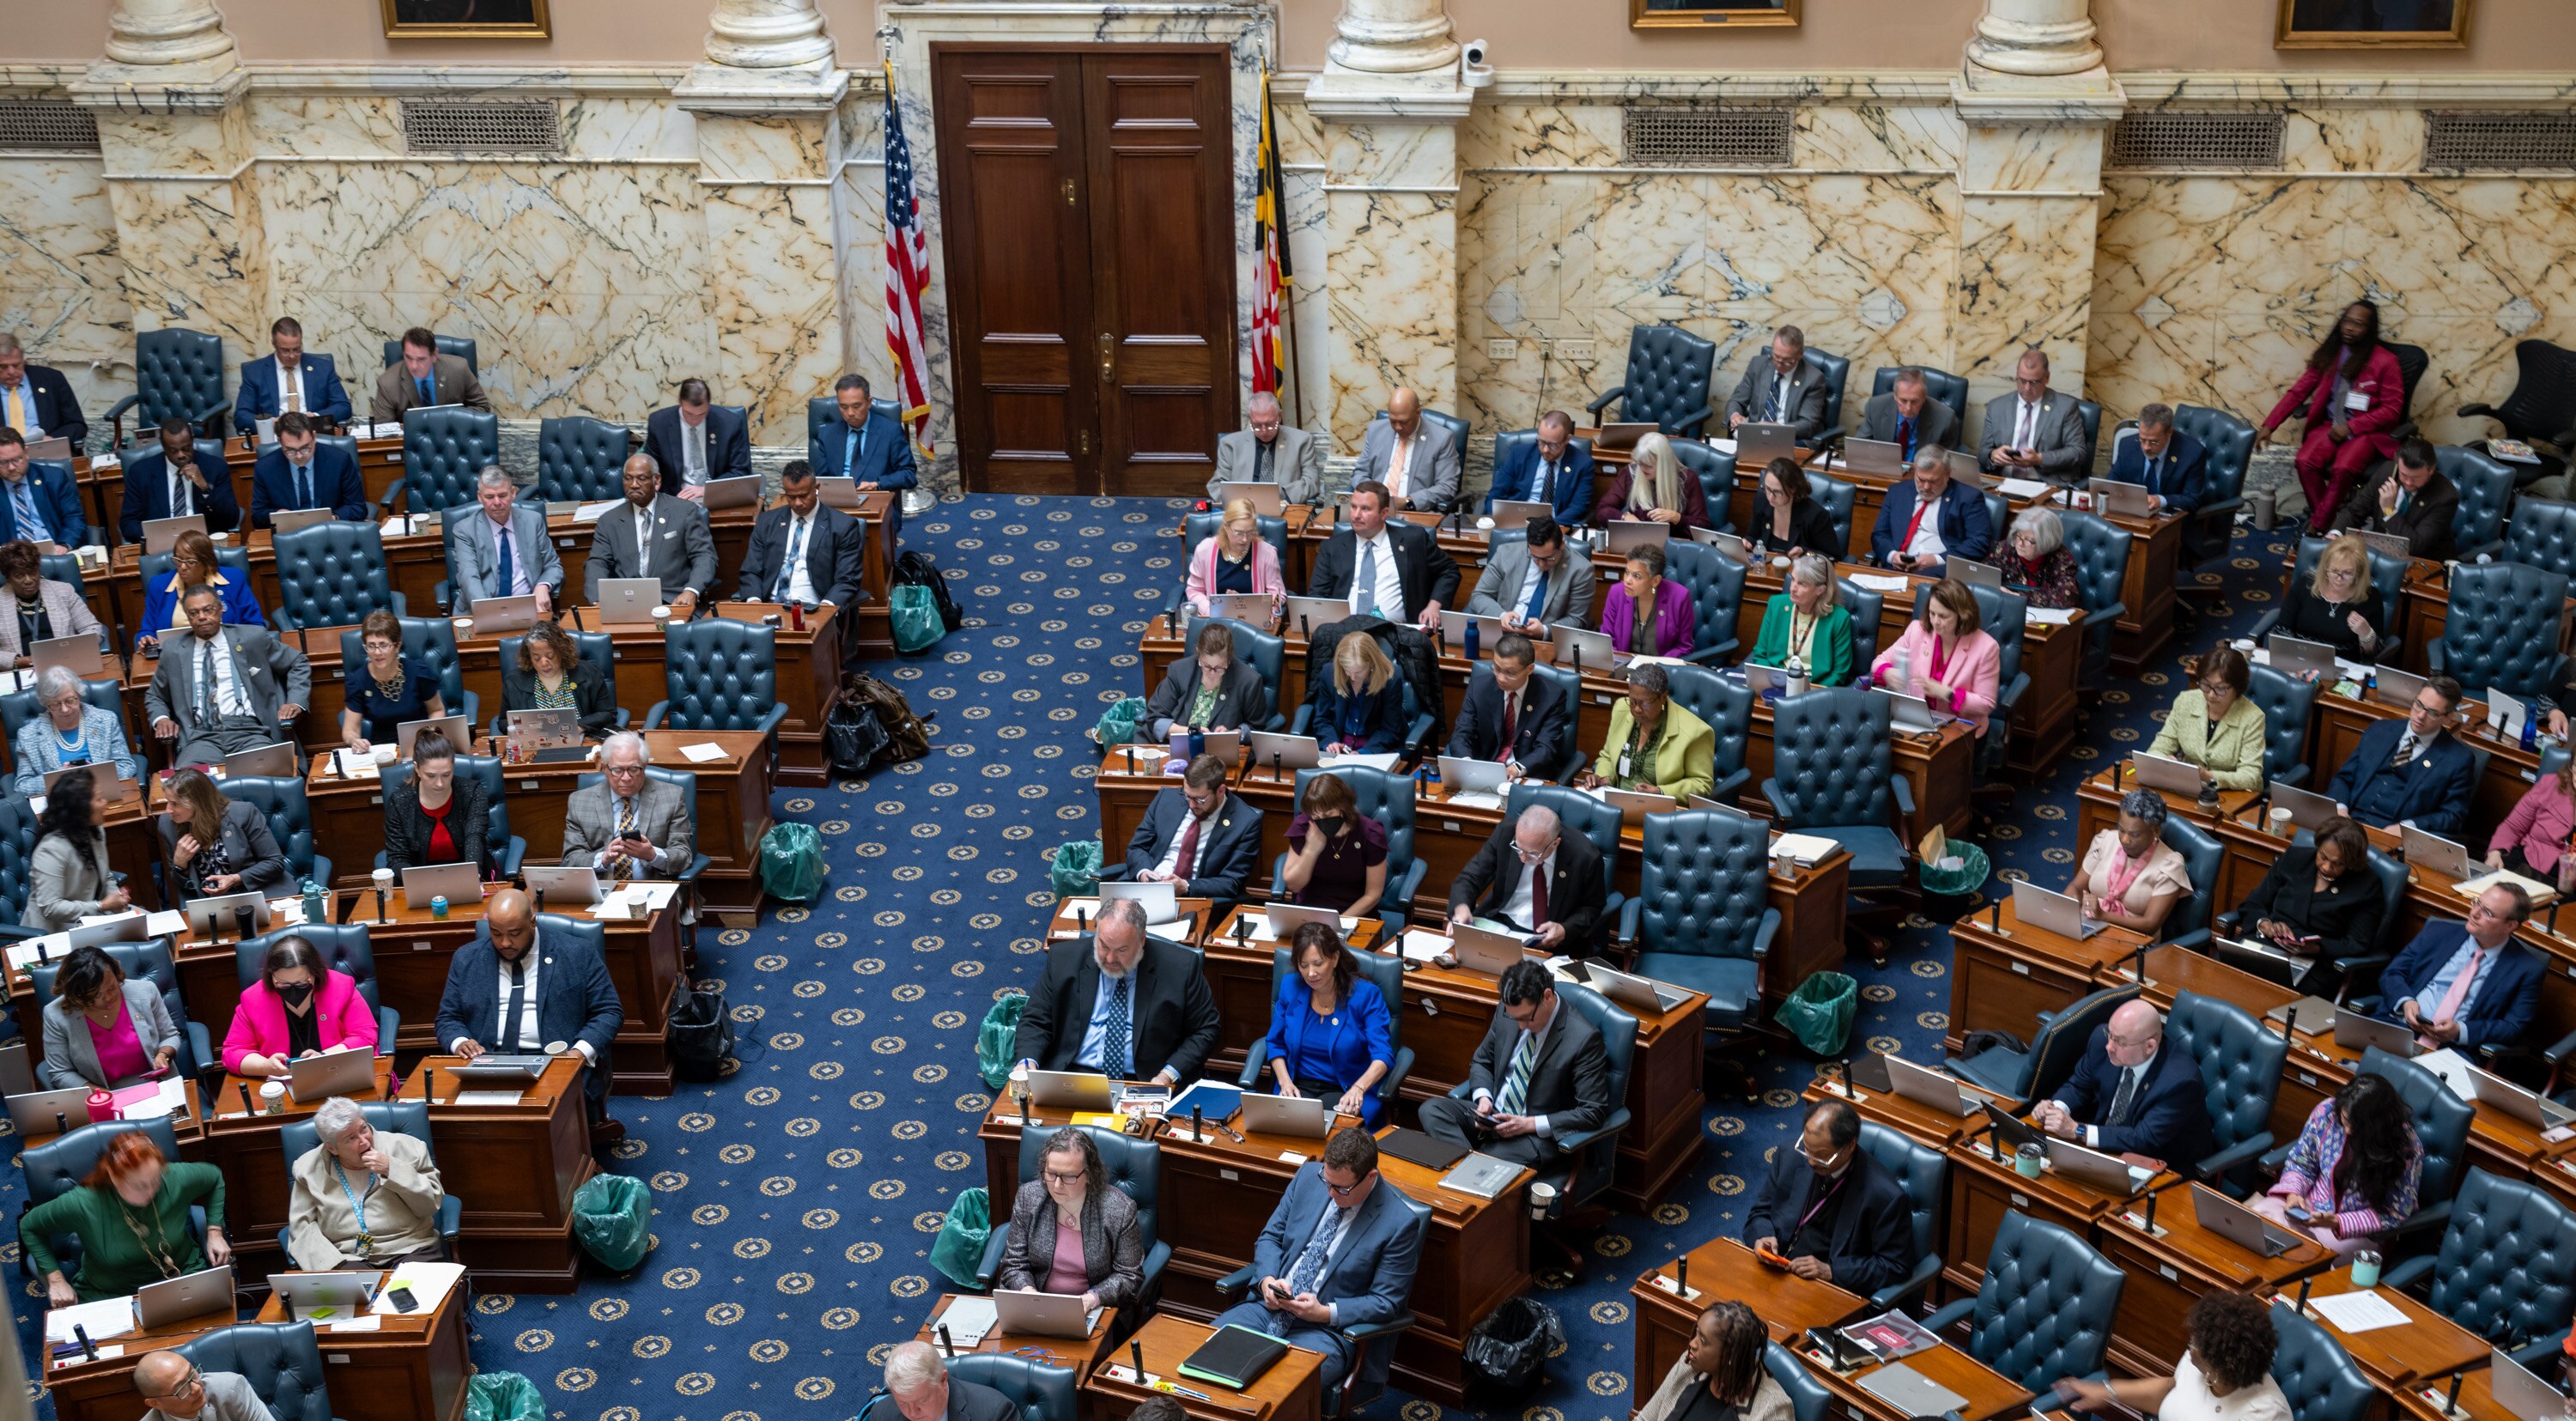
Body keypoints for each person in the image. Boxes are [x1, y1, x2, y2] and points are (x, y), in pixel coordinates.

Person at [1210, 1126, 1424, 1396]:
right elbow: (1270, 1238)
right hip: (1267, 1309)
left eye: (1342, 1188)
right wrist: (1267, 1282)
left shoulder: (1398, 1223)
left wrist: (1325, 1312)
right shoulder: (1308, 1177)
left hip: (1324, 1332)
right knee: (1207, 1360)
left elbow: (1386, 1302)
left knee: (1273, 1393)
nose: (1331, 1194)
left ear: (1371, 1177)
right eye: (1328, 1182)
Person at [434, 886, 625, 1143]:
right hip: (488, 1062)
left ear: (532, 923)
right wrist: (460, 1042)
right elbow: (448, 1018)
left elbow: (609, 1011)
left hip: (555, 1062)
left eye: (514, 934)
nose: (504, 943)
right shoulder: (467, 959)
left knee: (544, 1132)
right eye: (496, 933)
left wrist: (578, 1053)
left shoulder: (576, 953)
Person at [1419, 960, 1613, 1164]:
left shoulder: (1583, 1038)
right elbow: (1482, 1061)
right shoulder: (1508, 1010)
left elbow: (1593, 1111)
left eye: (1527, 1018)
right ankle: (1470, 1169)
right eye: (1515, 1018)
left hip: (1534, 1136)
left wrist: (1529, 1124)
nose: (1520, 1026)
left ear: (1547, 997)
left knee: (1486, 1163)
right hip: (1493, 1117)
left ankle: (1468, 1168)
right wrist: (1484, 1100)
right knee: (1431, 1110)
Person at [1012, 898, 1222, 1084]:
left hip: (1145, 1080)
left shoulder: (1181, 968)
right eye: (1103, 946)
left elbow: (1206, 1029)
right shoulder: (1063, 959)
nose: (1110, 959)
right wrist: (1027, 1062)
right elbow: (1035, 1019)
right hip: (1072, 1076)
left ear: (1142, 940)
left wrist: (1167, 1075)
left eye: (1122, 950)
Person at [22, 1132, 226, 1307]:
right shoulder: (83, 1202)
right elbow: (29, 1226)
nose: (150, 1192)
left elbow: (215, 1177)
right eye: (138, 1186)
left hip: (180, 1275)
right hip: (111, 1294)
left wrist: (215, 1232)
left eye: (154, 1180)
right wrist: (56, 1279)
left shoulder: (173, 1177)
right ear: (112, 1175)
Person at [1742, 1100, 1915, 1299]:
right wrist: (1762, 1236)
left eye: (1822, 1156)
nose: (1811, 1162)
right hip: (1773, 1268)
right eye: (1807, 1149)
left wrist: (1831, 1271)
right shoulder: (1790, 1155)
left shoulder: (1885, 1197)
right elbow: (1760, 1212)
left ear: (1850, 1146)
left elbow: (1895, 1266)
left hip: (1824, 1289)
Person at [2259, 300, 2403, 532]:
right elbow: (2299, 391)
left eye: (2358, 324)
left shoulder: (2386, 361)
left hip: (2365, 432)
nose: (2349, 328)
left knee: (2343, 468)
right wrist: (2270, 425)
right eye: (2346, 322)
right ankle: (2331, 524)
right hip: (2329, 425)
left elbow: (2392, 409)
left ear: (2369, 329)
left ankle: (2317, 527)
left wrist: (2353, 426)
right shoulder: (2331, 354)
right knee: (2304, 461)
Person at [2250, 1074, 2422, 1260]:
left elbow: (2394, 1213)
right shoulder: (2326, 1113)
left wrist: (2336, 1222)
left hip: (2355, 1229)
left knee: (2305, 1256)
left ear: (2376, 1125)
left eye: (2356, 1126)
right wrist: (2294, 1194)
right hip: (2309, 1205)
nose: (2347, 1130)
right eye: (2345, 1119)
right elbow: (2302, 1162)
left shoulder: (2405, 1149)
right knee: (2255, 1226)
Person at [2057, 1290, 2290, 1421]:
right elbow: (2172, 1389)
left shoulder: (2264, 1413)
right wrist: (2106, 1391)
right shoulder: (2201, 1365)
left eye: (2196, 1344)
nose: (2189, 1349)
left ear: (2220, 1365)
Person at [145, 582, 313, 764]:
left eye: (208, 610)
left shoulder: (252, 638)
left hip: (251, 732)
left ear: (220, 609)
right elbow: (155, 695)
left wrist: (295, 701)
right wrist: (161, 719)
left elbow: (298, 662)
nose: (202, 617)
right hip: (200, 737)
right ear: (188, 616)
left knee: (268, 774)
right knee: (187, 786)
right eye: (194, 613)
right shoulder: (173, 650)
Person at [2033, 999, 2215, 1168]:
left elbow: (2143, 1139)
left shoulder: (2180, 1081)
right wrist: (2056, 1109)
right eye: (2110, 1035)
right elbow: (2079, 1087)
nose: (2109, 1046)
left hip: (2157, 1164)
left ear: (2149, 1046)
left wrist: (2078, 1130)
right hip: (2104, 1146)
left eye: (2119, 1042)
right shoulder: (2101, 1040)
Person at [995, 1126, 1146, 1313]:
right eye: (1051, 1174)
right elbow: (1014, 1263)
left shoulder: (1119, 1209)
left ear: (1090, 1175)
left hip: (1094, 1309)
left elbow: (1129, 1275)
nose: (1057, 1185)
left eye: (1068, 1176)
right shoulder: (1029, 1197)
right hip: (1035, 1304)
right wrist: (1028, 1292)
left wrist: (1093, 1298)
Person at [2228, 816, 2385, 995]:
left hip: (2315, 964)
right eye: (2323, 857)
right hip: (2265, 943)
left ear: (2351, 863)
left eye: (2337, 863)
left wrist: (2317, 948)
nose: (2326, 867)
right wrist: (2265, 923)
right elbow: (2254, 901)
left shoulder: (2366, 885)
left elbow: (2357, 943)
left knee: (2266, 993)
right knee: (2225, 975)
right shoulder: (2295, 858)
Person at [287, 1094, 447, 1270]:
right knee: (351, 1296)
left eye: (363, 1129)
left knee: (411, 1294)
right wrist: (330, 1265)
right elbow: (301, 1228)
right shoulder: (307, 1168)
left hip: (409, 1246)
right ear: (332, 1148)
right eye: (351, 1138)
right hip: (346, 1256)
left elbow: (430, 1205)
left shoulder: (408, 1148)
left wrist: (392, 1170)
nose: (364, 1141)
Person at [2379, 883, 2544, 1051]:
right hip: (2398, 1026)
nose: (2474, 913)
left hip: (2452, 1050)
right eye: (2477, 902)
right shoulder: (2438, 931)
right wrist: (2406, 1002)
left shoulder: (2526, 969)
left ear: (2510, 926)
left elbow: (2512, 1027)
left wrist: (2460, 1031)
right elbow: (2392, 973)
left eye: (2487, 912)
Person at [1261, 923, 1397, 1126]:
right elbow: (1275, 1042)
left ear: (1334, 958)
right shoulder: (1291, 987)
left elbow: (1383, 1055)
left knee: (1328, 1137)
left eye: (1318, 963)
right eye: (1303, 965)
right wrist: (1285, 1082)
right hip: (1298, 1088)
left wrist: (1359, 1088)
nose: (1311, 973)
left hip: (1343, 1090)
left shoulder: (1365, 995)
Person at [1449, 805, 1609, 958]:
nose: (1523, 858)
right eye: (1518, 849)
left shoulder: (1585, 857)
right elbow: (1470, 877)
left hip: (1545, 939)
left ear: (1555, 844)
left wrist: (1564, 930)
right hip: (1498, 924)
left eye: (1532, 854)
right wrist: (1461, 907)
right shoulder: (1505, 833)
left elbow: (1592, 908)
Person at [2325, 674, 2476, 835]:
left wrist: (2408, 828)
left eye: (2432, 713)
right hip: (2348, 819)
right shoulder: (2380, 730)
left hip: (2392, 834)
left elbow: (2452, 815)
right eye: (2418, 705)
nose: (2420, 716)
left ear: (2448, 718)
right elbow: (2344, 778)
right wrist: (2340, 809)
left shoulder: (2458, 760)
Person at [1306, 479, 1458, 632]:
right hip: (1345, 633)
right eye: (1353, 507)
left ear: (1384, 513)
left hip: (1400, 634)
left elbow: (1449, 571)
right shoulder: (1332, 547)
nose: (1356, 515)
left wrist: (1434, 605)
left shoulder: (1413, 541)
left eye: (1365, 509)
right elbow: (1317, 596)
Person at [222, 934, 378, 1079]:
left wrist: (324, 1057)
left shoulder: (341, 988)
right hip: (283, 1084)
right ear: (271, 976)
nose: (293, 989)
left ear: (315, 973)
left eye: (301, 983)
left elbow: (365, 1037)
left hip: (340, 1074)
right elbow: (233, 1052)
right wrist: (265, 1066)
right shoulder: (254, 999)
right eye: (283, 983)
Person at [586, 453, 717, 616]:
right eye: (628, 478)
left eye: (641, 478)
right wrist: (597, 599)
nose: (634, 485)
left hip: (673, 600)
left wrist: (691, 591)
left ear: (657, 480)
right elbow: (597, 562)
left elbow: (704, 556)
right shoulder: (609, 520)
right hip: (626, 602)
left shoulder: (684, 511)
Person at [1123, 752, 1261, 903]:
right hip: (1146, 889)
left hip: (1193, 899)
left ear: (1220, 791)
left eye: (1199, 799)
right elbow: (1137, 847)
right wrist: (1144, 873)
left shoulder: (1246, 822)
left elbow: (1231, 882)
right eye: (1187, 796)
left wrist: (1186, 886)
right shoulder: (1167, 798)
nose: (1191, 805)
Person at [1871, 579, 2002, 734]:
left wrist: (1947, 693)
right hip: (1915, 721)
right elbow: (1879, 662)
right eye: (1932, 613)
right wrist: (1887, 673)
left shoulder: (1987, 647)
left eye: (1943, 616)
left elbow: (1986, 703)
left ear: (1962, 616)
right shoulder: (1917, 630)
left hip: (1959, 729)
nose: (1935, 621)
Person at [39, 943, 175, 1089]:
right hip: (101, 1094)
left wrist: (163, 1055)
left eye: (112, 987)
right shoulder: (56, 1014)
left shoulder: (144, 991)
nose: (108, 998)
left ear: (117, 976)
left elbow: (170, 1036)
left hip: (158, 1084)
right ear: (78, 994)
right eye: (96, 994)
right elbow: (61, 1073)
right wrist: (101, 1096)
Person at [737, 459, 866, 613]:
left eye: (803, 496)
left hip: (813, 609)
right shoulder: (767, 522)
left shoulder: (843, 526)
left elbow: (847, 579)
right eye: (791, 497)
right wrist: (754, 603)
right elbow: (751, 570)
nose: (797, 503)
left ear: (816, 488)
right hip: (769, 608)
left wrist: (825, 609)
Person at [562, 731, 696, 880]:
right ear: (605, 769)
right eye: (617, 770)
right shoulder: (579, 802)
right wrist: (603, 858)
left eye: (633, 769)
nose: (626, 778)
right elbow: (570, 860)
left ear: (644, 768)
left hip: (653, 889)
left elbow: (683, 854)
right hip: (601, 891)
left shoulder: (672, 797)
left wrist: (652, 855)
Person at [1577, 662, 1716, 801]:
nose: (1637, 709)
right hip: (1615, 799)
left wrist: (1661, 792)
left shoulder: (1696, 732)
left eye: (1645, 703)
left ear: (1663, 697)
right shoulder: (1621, 709)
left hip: (1658, 810)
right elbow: (1608, 756)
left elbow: (1702, 783)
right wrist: (1600, 779)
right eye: (1633, 701)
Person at [1639, 1300, 1794, 1421]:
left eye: (1703, 1341)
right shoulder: (1689, 1365)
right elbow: (1645, 1419)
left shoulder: (1772, 1410)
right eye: (1697, 1333)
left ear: (1730, 1356)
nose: (1693, 1344)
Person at [2068, 789, 2193, 937]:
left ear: (2156, 831)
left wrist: (2104, 916)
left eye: (2135, 834)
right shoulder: (2106, 841)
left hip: (2133, 940)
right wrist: (2073, 904)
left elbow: (2150, 925)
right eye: (2121, 830)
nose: (2125, 840)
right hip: (2090, 925)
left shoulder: (2169, 865)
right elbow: (2075, 887)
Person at [2147, 642, 2267, 792]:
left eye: (2221, 689)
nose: (2211, 694)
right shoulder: (2186, 701)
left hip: (2232, 794)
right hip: (2186, 788)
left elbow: (2250, 777)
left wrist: (2209, 776)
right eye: (2205, 685)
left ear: (2237, 687)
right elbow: (2157, 749)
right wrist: (2163, 760)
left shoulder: (2253, 717)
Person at [1445, 632, 1570, 776]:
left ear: (1530, 670)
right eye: (1497, 669)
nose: (1501, 678)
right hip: (1485, 771)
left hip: (1526, 775)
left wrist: (1516, 768)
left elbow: (1546, 748)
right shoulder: (1479, 688)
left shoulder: (1552, 696)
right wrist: (1467, 765)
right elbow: (1461, 734)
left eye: (1510, 673)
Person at [811, 373, 917, 539]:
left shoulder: (890, 432)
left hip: (875, 506)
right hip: (836, 507)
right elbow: (820, 478)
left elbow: (909, 475)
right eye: (843, 407)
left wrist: (878, 484)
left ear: (869, 402)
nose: (850, 413)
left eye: (856, 406)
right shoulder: (828, 434)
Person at [157, 768, 289, 900]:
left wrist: (234, 879)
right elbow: (181, 885)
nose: (168, 810)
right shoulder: (168, 825)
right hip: (210, 902)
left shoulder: (243, 813)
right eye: (167, 802)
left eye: (175, 804)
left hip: (256, 893)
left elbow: (274, 863)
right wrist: (180, 865)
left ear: (197, 803)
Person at [24, 767, 127, 932]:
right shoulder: (50, 850)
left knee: (154, 932)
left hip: (94, 920)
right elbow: (51, 907)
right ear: (81, 809)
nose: (105, 802)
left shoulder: (96, 831)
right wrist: (101, 905)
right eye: (99, 799)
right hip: (55, 931)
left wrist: (117, 900)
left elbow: (105, 876)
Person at [447, 466, 561, 615]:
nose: (497, 502)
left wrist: (542, 586)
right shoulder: (465, 530)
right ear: (480, 497)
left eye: (502, 495)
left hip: (528, 608)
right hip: (481, 609)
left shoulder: (533, 521)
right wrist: (488, 612)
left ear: (513, 493)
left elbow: (553, 565)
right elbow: (469, 577)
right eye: (489, 497)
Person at [13, 664, 138, 796]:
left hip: (102, 795)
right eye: (55, 704)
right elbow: (22, 786)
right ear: (46, 704)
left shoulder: (106, 720)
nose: (65, 709)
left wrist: (93, 774)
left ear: (79, 694)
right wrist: (61, 779)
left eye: (70, 701)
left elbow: (126, 766)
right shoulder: (28, 735)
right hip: (60, 804)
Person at [2330, 436, 2458, 561]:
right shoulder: (2387, 472)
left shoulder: (2445, 497)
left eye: (2416, 478)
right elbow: (2355, 511)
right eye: (2404, 475)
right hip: (2380, 554)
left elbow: (2414, 547)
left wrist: (2389, 510)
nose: (2408, 482)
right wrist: (2336, 534)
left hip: (2423, 563)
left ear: (2431, 470)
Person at [136, 528, 263, 652]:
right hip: (177, 656)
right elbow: (147, 629)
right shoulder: (159, 585)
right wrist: (146, 639)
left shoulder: (233, 579)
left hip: (229, 651)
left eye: (190, 562)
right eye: (178, 560)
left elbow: (255, 624)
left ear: (206, 562)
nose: (182, 567)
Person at [118, 416, 240, 544]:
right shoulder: (140, 472)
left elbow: (231, 518)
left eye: (186, 449)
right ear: (163, 446)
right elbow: (128, 523)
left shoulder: (216, 467)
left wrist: (205, 488)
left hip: (204, 544)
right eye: (173, 451)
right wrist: (155, 537)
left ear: (192, 441)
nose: (181, 455)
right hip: (160, 546)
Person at [341, 608, 447, 753]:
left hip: (421, 746)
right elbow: (350, 730)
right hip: (382, 751)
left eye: (383, 645)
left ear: (397, 646)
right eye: (371, 646)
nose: (377, 652)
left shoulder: (418, 672)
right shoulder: (358, 680)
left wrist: (430, 735)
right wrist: (354, 740)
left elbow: (437, 710)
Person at [385, 731, 489, 877]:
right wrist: (419, 884)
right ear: (417, 769)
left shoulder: (472, 793)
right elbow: (398, 858)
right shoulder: (399, 802)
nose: (440, 784)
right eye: (431, 776)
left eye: (446, 775)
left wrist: (472, 877)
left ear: (453, 767)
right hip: (420, 882)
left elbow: (474, 838)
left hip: (471, 875)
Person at [1871, 445, 1990, 574]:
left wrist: (1937, 560)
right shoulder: (1897, 492)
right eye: (1921, 480)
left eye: (1933, 481)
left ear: (1947, 474)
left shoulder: (1968, 498)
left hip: (1938, 571)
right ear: (1915, 471)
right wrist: (1892, 556)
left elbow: (1979, 543)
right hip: (1896, 568)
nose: (1926, 487)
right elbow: (1880, 534)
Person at [1283, 773, 1388, 918]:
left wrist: (1338, 923)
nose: (1321, 821)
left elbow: (1373, 895)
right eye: (1316, 816)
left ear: (1343, 807)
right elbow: (1294, 886)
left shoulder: (1370, 833)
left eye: (1327, 815)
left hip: (1356, 915)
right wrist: (1311, 851)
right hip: (1311, 912)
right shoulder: (1305, 826)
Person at [1145, 620, 1269, 744]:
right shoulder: (1180, 670)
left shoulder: (1249, 681)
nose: (1213, 673)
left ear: (1229, 658)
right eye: (1207, 666)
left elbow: (1256, 729)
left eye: (1220, 667)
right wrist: (1188, 732)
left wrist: (1235, 734)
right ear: (1199, 654)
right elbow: (1154, 718)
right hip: (1179, 748)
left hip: (1219, 752)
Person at [1466, 513, 1594, 631]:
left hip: (1545, 643)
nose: (1541, 564)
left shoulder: (1581, 570)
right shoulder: (1506, 554)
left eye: (1548, 558)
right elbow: (1479, 595)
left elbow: (1577, 619)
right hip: (1503, 633)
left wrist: (1545, 630)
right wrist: (1501, 615)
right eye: (1535, 557)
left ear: (1562, 544)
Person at [1979, 349, 2090, 483]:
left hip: (2046, 484)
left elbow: (2078, 452)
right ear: (2016, 374)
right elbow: (1982, 452)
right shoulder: (1997, 406)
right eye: (2022, 380)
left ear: (2047, 378)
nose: (2027, 388)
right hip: (2002, 482)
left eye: (2034, 382)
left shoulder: (2066, 407)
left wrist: (2039, 459)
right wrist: (1993, 456)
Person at [1747, 553, 1856, 687]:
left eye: (1802, 584)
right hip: (1775, 684)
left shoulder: (1839, 619)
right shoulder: (1776, 605)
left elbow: (1839, 673)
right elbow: (1761, 654)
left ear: (1820, 590)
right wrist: (1770, 682)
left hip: (1814, 690)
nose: (1793, 588)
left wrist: (1808, 691)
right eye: (1793, 580)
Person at [2280, 534, 2388, 664]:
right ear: (2326, 566)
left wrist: (2366, 634)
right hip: (2298, 661)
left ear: (2359, 572)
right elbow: (2282, 630)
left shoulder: (2370, 598)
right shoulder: (2305, 585)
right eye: (2334, 570)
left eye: (2347, 573)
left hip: (2342, 671)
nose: (2339, 578)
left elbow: (2374, 656)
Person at [501, 620, 617, 739]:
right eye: (536, 658)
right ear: (529, 657)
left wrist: (579, 727)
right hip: (535, 745)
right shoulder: (514, 681)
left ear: (562, 652)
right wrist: (523, 730)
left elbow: (608, 713)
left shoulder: (589, 673)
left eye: (550, 656)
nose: (543, 663)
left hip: (582, 740)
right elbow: (503, 722)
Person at [248, 411, 366, 526]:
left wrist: (333, 518)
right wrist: (276, 515)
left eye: (305, 448)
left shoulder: (339, 460)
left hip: (331, 532)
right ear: (280, 442)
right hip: (288, 535)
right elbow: (257, 516)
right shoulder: (265, 468)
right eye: (290, 450)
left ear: (314, 437)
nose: (299, 456)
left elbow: (358, 507)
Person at [234, 314, 351, 428]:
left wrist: (316, 417)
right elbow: (241, 416)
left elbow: (343, 406)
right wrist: (271, 423)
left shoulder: (323, 368)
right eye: (285, 350)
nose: (292, 356)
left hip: (314, 434)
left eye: (297, 349)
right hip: (275, 437)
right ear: (274, 344)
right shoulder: (255, 372)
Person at [1210, 391, 1324, 506]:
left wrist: (1284, 498)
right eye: (1257, 425)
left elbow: (1311, 482)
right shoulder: (1230, 444)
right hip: (1243, 511)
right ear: (1250, 419)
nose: (1264, 431)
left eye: (1269, 424)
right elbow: (1217, 485)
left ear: (1279, 417)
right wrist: (1238, 503)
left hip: (1286, 508)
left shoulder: (1302, 441)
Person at [1356, 386, 1461, 512]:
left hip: (1415, 512)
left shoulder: (1442, 439)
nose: (1398, 427)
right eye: (1393, 421)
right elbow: (1361, 472)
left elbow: (1446, 487)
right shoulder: (1375, 431)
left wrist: (1408, 502)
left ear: (1418, 412)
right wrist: (1372, 497)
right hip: (1373, 511)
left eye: (1404, 422)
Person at [641, 377, 750, 498]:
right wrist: (652, 479)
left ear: (709, 404)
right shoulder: (659, 423)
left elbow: (741, 471)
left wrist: (707, 489)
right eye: (689, 414)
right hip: (676, 497)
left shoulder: (730, 424)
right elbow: (650, 466)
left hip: (718, 496)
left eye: (702, 414)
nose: (695, 420)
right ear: (679, 402)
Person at [1182, 496, 1287, 618]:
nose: (1244, 539)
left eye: (1250, 532)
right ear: (1226, 527)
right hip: (1216, 622)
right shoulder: (1204, 549)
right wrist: (1211, 610)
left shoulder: (1267, 553)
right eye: (1238, 532)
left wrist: (1246, 606)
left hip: (1253, 624)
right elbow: (1194, 590)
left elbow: (1278, 596)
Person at [1487, 410, 1595, 528]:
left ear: (1567, 439)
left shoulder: (1583, 464)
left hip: (1553, 527)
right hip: (1515, 523)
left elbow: (1578, 507)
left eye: (1553, 445)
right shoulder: (1518, 454)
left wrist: (1547, 527)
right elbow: (1495, 496)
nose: (1545, 450)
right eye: (1542, 442)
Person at [1724, 324, 1829, 441]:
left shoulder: (1813, 379)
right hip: (1754, 435)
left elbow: (1808, 424)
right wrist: (1735, 415)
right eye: (1776, 357)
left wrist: (1777, 429)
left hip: (1789, 439)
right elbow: (1736, 401)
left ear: (1800, 355)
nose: (1779, 363)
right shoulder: (1758, 365)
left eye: (1786, 360)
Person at [1309, 632, 1407, 756]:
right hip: (1340, 744)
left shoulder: (1390, 681)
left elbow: (1390, 730)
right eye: (1347, 670)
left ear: (1372, 664)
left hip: (1375, 746)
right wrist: (1331, 742)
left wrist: (1364, 753)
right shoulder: (1329, 674)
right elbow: (1323, 719)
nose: (1353, 677)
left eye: (1359, 671)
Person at [1593, 430, 1711, 531]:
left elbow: (1703, 526)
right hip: (1637, 540)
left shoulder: (1688, 479)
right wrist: (1624, 517)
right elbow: (1603, 510)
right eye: (1640, 463)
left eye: (1648, 466)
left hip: (1673, 544)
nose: (1642, 470)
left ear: (1663, 465)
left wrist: (1677, 518)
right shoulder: (1631, 473)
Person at [369, 325, 491, 422]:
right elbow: (384, 431)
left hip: (454, 439)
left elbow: (482, 407)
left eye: (421, 359)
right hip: (411, 445)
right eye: (409, 358)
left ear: (434, 355)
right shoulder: (387, 383)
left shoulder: (459, 369)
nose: (414, 366)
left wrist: (453, 420)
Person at [2492, 753, 2576, 890]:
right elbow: (2513, 827)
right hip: (2525, 864)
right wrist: (2495, 852)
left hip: (2567, 885)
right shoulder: (2551, 784)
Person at [1601, 543, 1696, 659]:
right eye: (1626, 572)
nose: (1627, 580)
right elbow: (1607, 640)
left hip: (1661, 669)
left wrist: (1659, 665)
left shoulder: (1679, 598)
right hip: (1623, 666)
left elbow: (1684, 647)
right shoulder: (1617, 593)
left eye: (1637, 576)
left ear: (1655, 581)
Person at [883, 1339, 1018, 1421]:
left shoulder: (995, 1413)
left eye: (922, 1401)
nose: (912, 1413)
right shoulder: (883, 1414)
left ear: (942, 1380)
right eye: (903, 1403)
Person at [0, 424, 88, 550]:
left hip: (55, 552)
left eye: (16, 459)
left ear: (26, 453)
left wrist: (64, 545)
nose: (12, 467)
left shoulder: (54, 478)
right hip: (11, 561)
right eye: (3, 462)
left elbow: (74, 518)